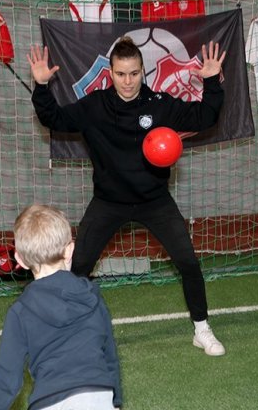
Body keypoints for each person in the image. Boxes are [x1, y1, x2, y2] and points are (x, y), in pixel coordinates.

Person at [28, 36, 227, 357]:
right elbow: (55, 119)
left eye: (134, 73)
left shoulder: (160, 104)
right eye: (121, 74)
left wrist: (210, 81)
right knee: (78, 267)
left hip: (155, 201)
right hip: (108, 202)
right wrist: (41, 87)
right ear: (111, 73)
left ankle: (201, 329)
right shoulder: (94, 106)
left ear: (142, 71)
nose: (128, 81)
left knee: (188, 262)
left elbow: (205, 117)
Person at [0, 204, 122, 410]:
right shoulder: (92, 296)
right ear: (70, 250)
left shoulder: (20, 312)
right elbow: (109, 355)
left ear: (20, 259)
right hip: (99, 396)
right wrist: (115, 402)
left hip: (50, 401)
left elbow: (6, 381)